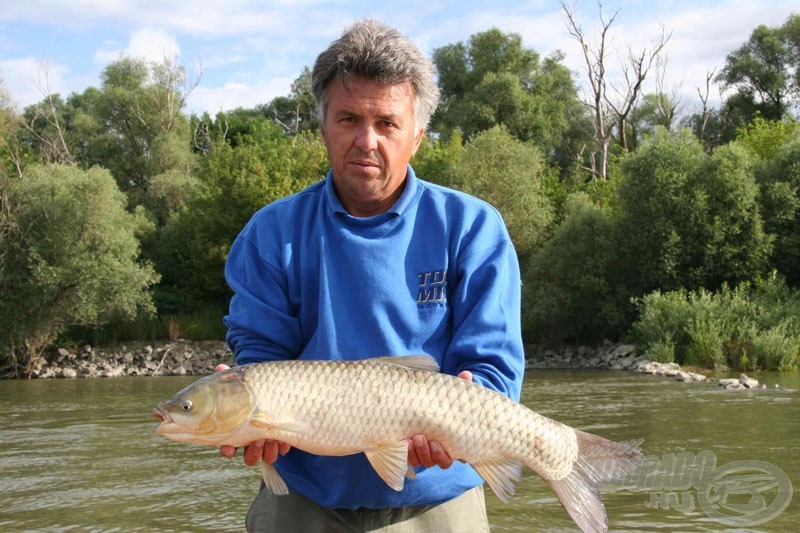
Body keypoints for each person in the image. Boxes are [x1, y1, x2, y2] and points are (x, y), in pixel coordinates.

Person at [220, 18, 525, 532]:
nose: (367, 140)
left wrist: (470, 411)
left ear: (418, 136)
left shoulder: (472, 227)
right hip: (304, 498)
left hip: (438, 500)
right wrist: (251, 423)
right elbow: (261, 357)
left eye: (387, 123)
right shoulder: (270, 233)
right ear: (322, 127)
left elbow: (493, 369)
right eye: (347, 119)